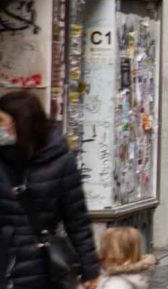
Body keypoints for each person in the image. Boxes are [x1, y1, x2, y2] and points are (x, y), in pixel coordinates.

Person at [0, 90, 101, 289]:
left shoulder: (60, 161)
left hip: (40, 266)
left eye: (1, 120)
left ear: (20, 122)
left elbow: (77, 219)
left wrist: (90, 269)